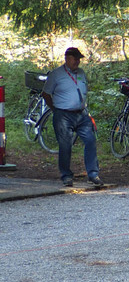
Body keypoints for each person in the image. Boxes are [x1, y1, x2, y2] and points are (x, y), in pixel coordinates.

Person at [42, 47, 101, 187]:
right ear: (67, 59)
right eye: (75, 59)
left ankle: (93, 174)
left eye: (79, 59)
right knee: (65, 145)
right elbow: (46, 93)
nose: (78, 62)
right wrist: (55, 109)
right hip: (63, 115)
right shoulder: (56, 74)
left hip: (81, 113)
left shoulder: (81, 73)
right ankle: (66, 176)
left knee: (90, 140)